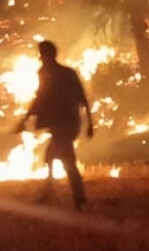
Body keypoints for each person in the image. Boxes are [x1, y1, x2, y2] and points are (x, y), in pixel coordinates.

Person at [16, 40, 93, 209]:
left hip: (67, 123)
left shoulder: (62, 74)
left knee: (63, 159)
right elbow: (41, 98)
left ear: (47, 55)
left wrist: (90, 123)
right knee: (54, 156)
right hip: (61, 123)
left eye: (42, 55)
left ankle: (73, 197)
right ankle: (65, 195)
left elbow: (80, 98)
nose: (41, 58)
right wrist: (25, 119)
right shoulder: (52, 73)